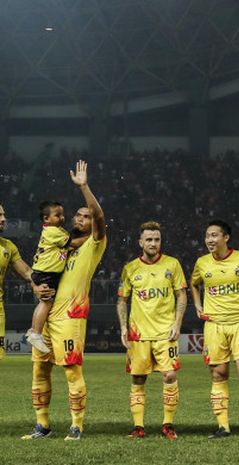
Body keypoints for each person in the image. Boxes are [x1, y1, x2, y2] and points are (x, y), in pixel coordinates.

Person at [23, 160, 107, 441]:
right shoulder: (61, 244)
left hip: (70, 317)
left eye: (86, 216)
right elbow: (39, 269)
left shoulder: (94, 244)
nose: (80, 218)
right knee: (40, 369)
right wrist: (36, 287)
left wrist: (84, 187)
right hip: (48, 318)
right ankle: (42, 426)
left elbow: (99, 216)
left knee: (71, 371)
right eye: (77, 216)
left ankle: (76, 426)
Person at [191, 220, 239, 439]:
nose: (209, 239)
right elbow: (193, 283)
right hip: (214, 325)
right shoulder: (202, 263)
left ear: (226, 238)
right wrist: (197, 305)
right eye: (207, 235)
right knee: (218, 375)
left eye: (214, 235)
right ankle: (223, 426)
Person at [116, 221, 187, 440]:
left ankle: (168, 424)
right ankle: (138, 427)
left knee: (170, 375)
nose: (153, 243)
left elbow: (181, 295)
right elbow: (122, 300)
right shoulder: (130, 268)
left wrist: (177, 324)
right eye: (149, 239)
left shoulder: (172, 265)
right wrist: (123, 328)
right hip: (139, 334)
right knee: (138, 379)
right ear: (140, 242)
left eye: (156, 239)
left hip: (165, 332)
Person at [25, 201, 89, 353]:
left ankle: (33, 331)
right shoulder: (52, 232)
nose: (62, 218)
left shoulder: (55, 230)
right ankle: (36, 333)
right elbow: (73, 243)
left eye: (62, 214)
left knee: (44, 302)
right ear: (46, 219)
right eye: (57, 215)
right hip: (46, 273)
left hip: (43, 271)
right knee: (46, 303)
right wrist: (90, 238)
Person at [0, 204, 46, 360]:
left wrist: (37, 284)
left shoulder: (8, 247)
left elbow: (27, 272)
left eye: (3, 215)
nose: (3, 219)